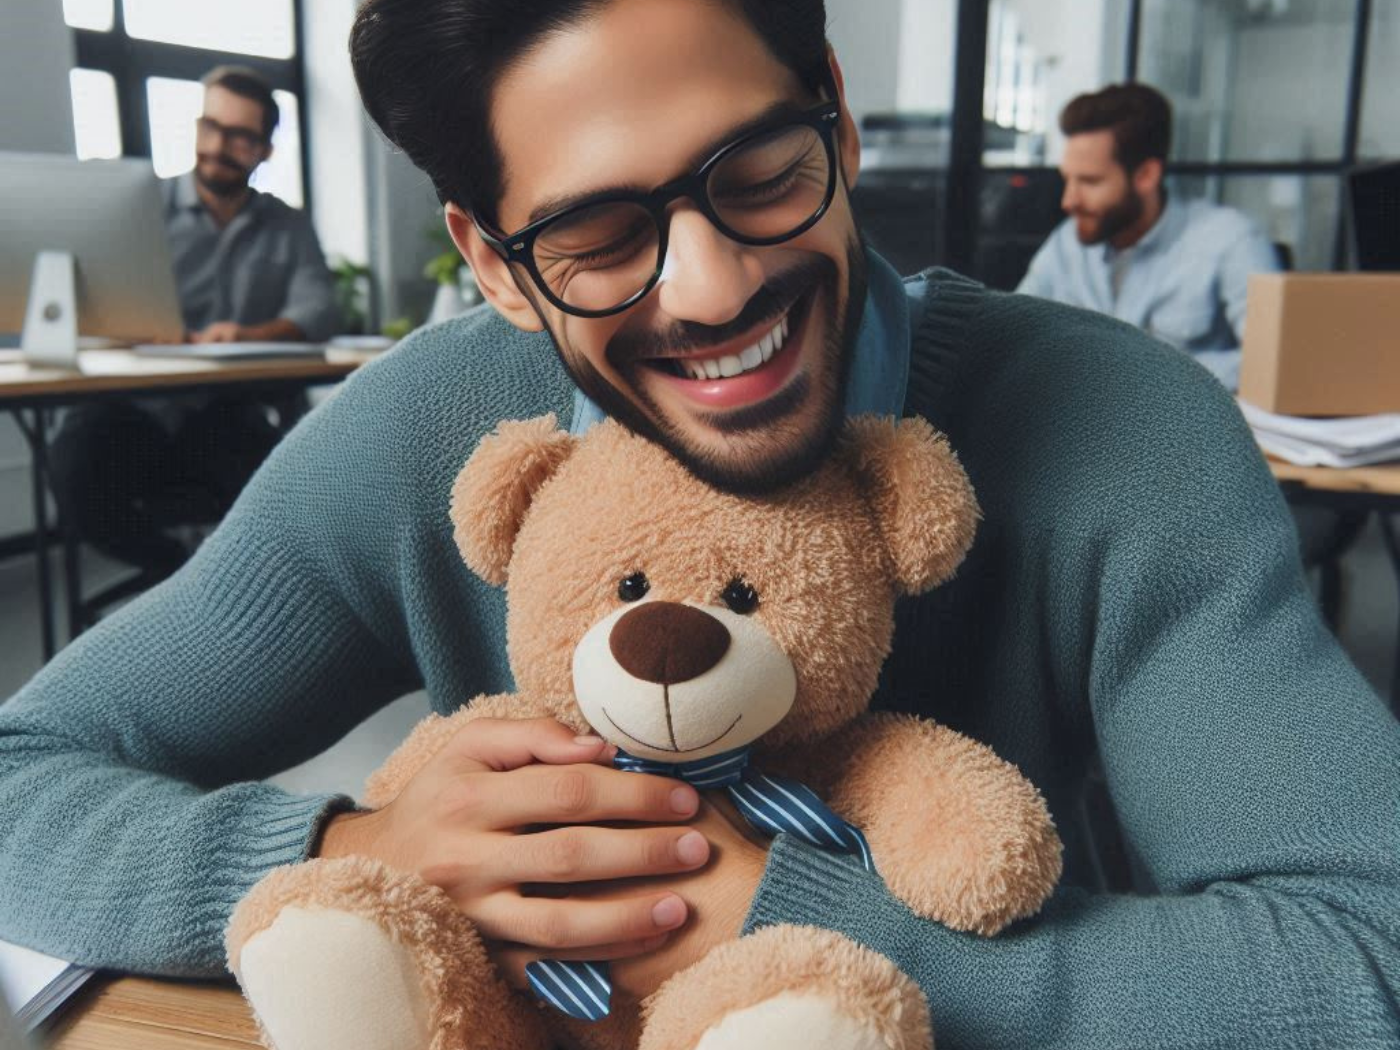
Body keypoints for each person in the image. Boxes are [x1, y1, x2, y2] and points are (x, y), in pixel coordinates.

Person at [1, 2, 1396, 1046]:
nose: (716, 285)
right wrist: (351, 856)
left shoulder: (1125, 428)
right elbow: (23, 770)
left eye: (759, 170)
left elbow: (1368, 949)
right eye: (600, 237)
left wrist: (806, 920)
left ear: (838, 118)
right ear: (491, 262)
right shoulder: (427, 432)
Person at [46, 65, 341, 579]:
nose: (216, 146)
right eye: (209, 126)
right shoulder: (139, 209)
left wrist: (249, 335)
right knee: (74, 474)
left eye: (238, 136)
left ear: (265, 150)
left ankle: (234, 586)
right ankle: (177, 573)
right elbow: (87, 300)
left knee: (283, 491)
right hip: (130, 407)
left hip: (223, 411)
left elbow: (318, 308)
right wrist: (131, 326)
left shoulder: (286, 224)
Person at [1017, 83, 1280, 382]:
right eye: (1068, 180)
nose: (1069, 201)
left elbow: (1271, 365)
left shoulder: (1231, 240)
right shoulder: (1067, 242)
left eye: (1089, 182)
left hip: (1181, 423)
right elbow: (1012, 337)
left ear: (1146, 176)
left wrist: (1143, 372)